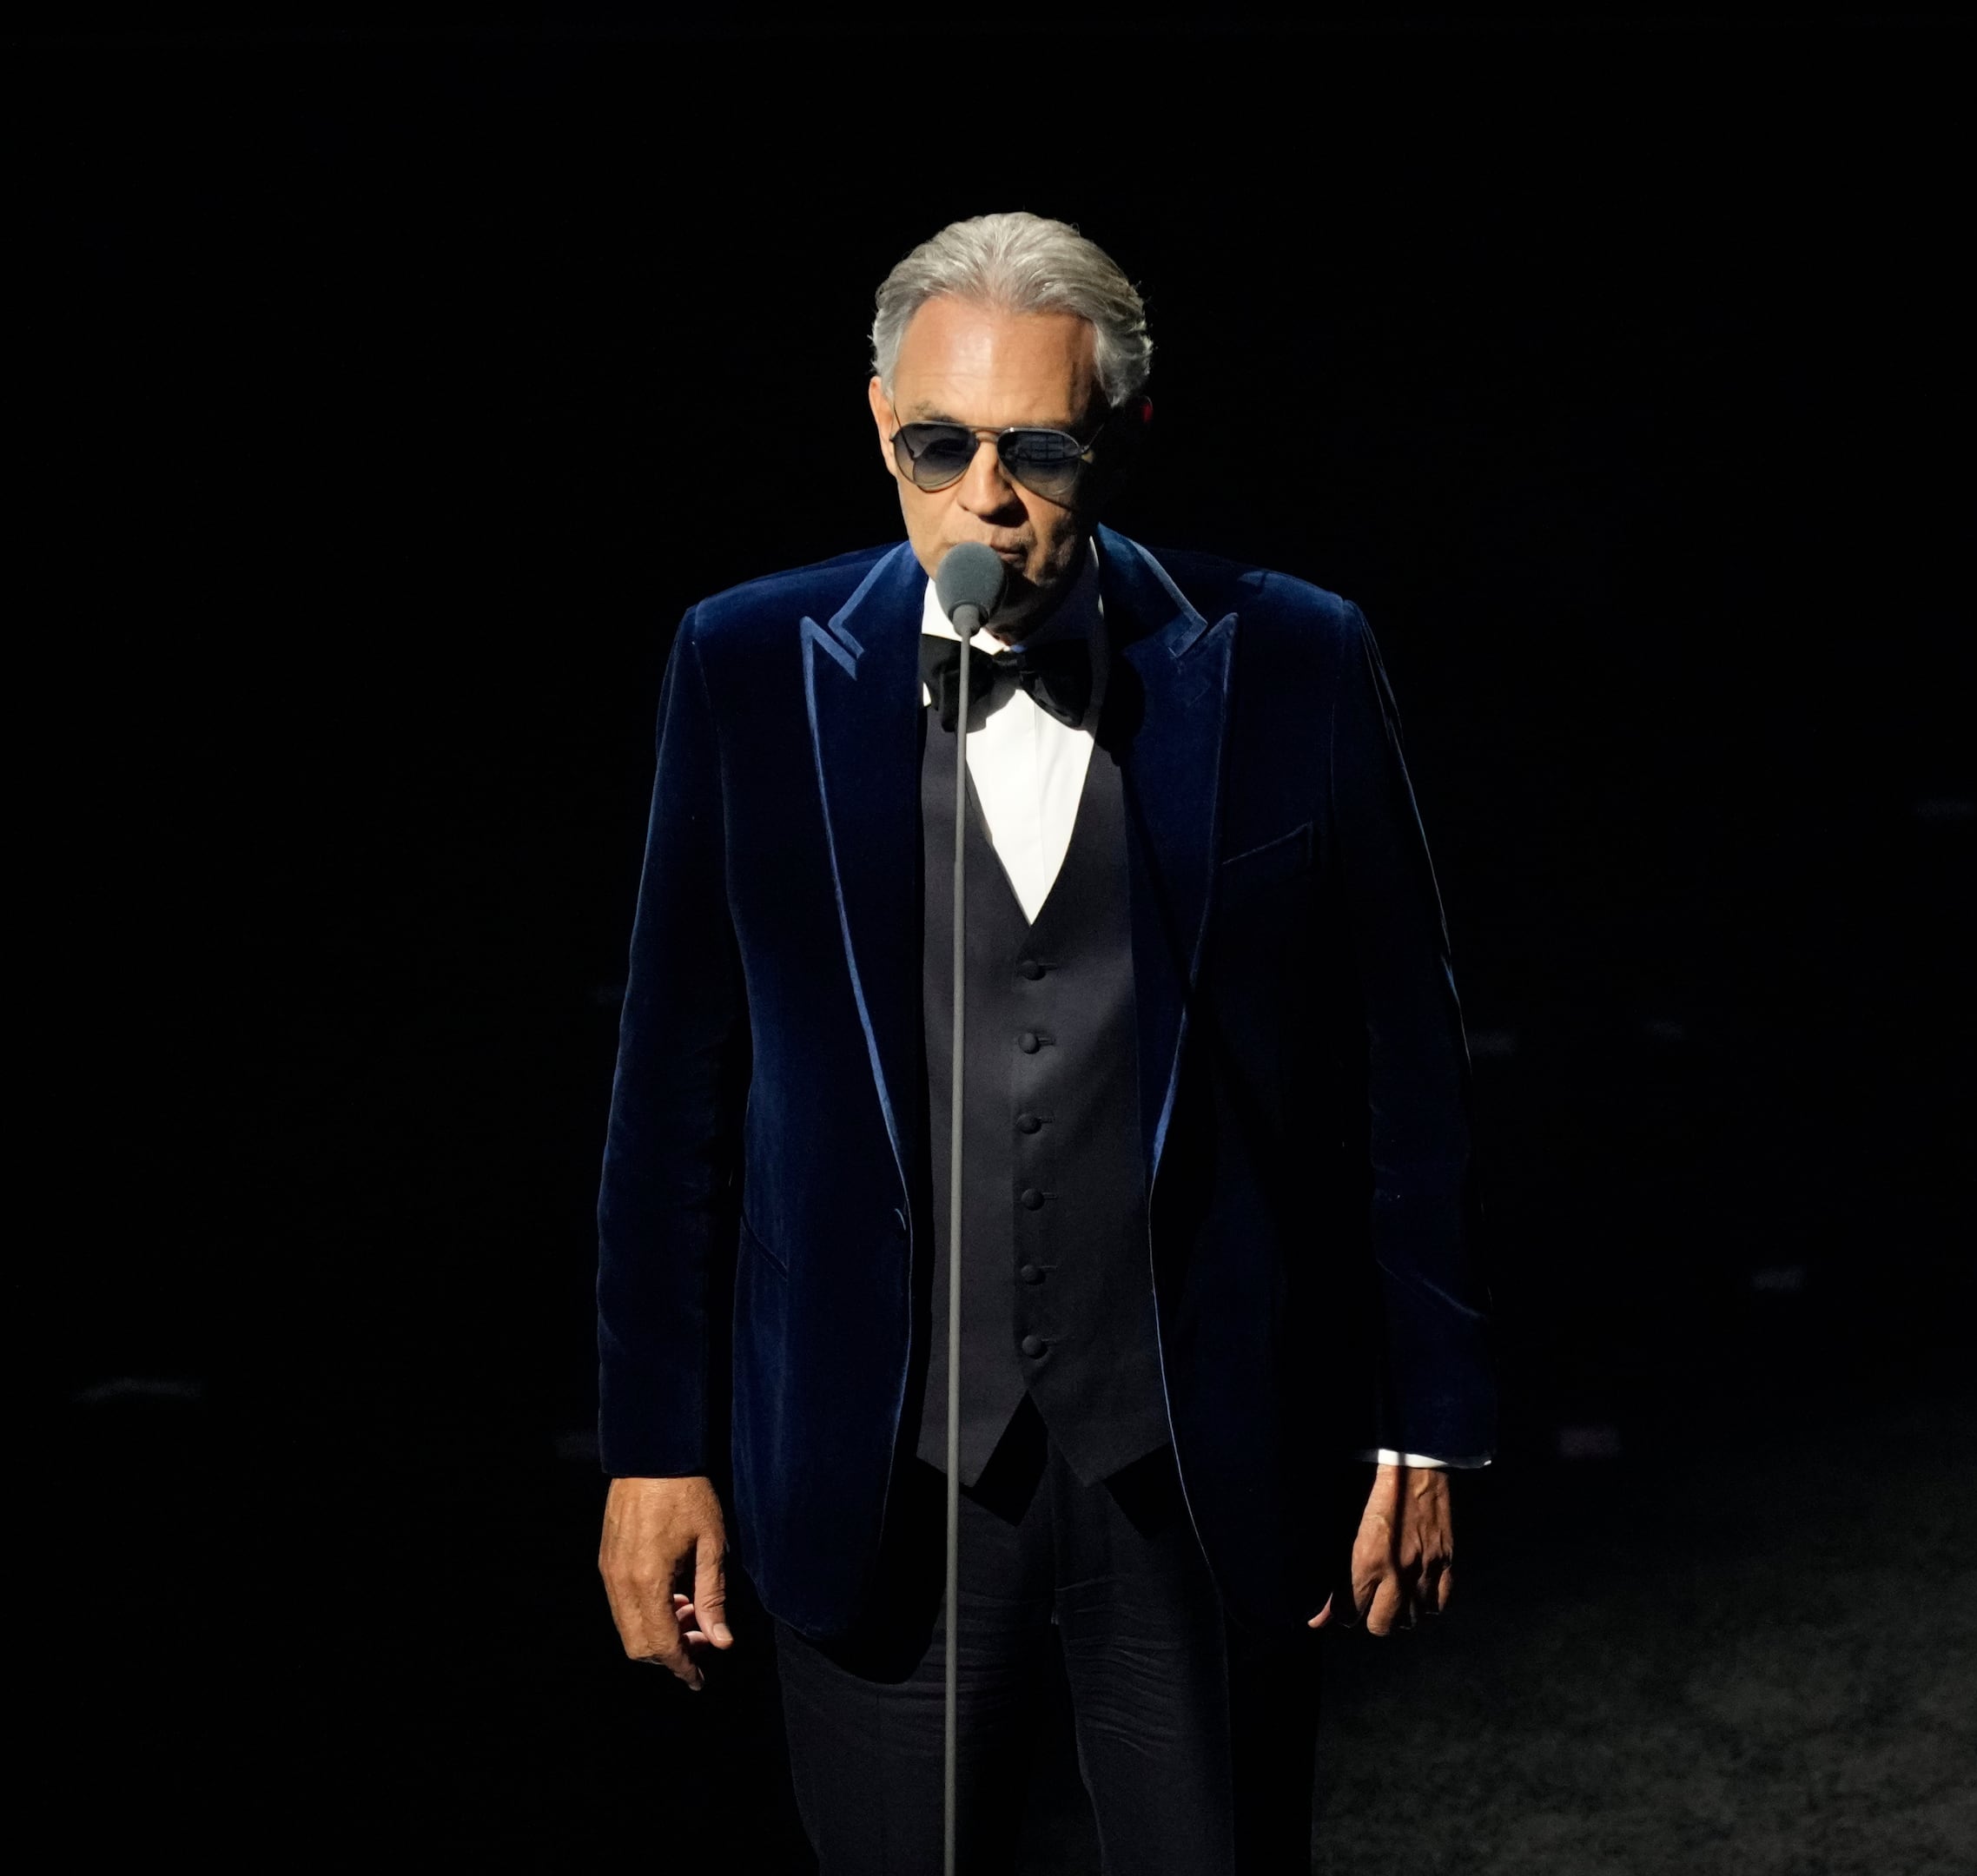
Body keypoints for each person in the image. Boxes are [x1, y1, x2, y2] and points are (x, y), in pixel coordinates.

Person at [593, 211, 1493, 1873]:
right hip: (879, 1465)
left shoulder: (1295, 655)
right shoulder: (745, 666)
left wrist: (1425, 1418)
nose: (984, 501)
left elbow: (1408, 1076)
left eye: (1038, 451)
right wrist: (655, 1449)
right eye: (938, 448)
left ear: (1125, 438)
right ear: (879, 425)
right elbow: (673, 1100)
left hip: (1194, 1458)